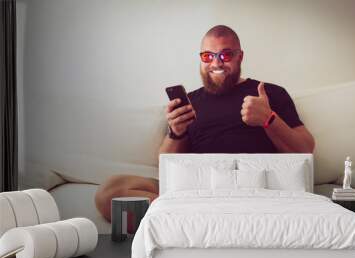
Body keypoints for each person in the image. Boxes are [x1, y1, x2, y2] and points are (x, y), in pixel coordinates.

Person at [95, 25, 315, 223]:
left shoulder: (270, 93)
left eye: (225, 55)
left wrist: (269, 119)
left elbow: (305, 150)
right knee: (109, 193)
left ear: (240, 57)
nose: (216, 63)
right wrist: (176, 133)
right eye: (208, 56)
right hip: (198, 188)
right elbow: (166, 165)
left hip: (251, 186)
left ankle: (194, 220)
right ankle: (200, 217)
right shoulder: (189, 101)